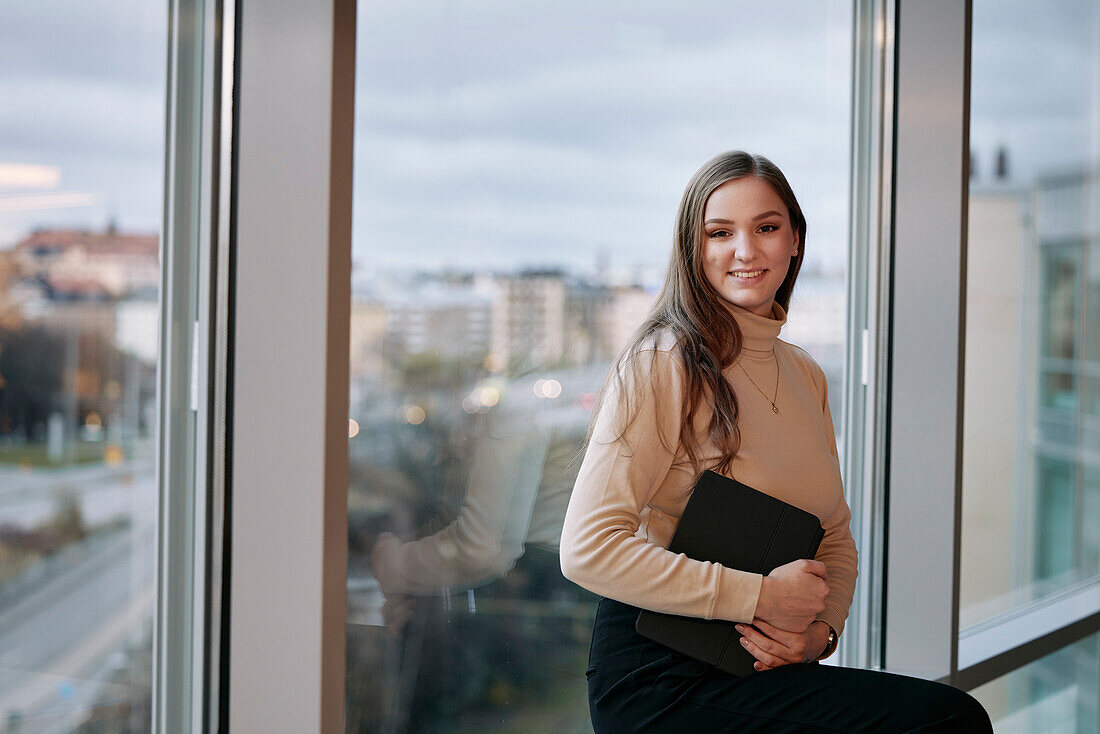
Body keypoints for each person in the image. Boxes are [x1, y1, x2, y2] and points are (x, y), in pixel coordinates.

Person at [558, 150, 994, 732]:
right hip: (659, 676)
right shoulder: (664, 363)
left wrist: (821, 633)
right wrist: (760, 598)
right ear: (694, 249)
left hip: (757, 664)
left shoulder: (804, 373)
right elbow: (587, 549)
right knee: (947, 721)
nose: (745, 250)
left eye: (766, 227)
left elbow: (834, 533)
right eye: (720, 232)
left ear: (794, 241)